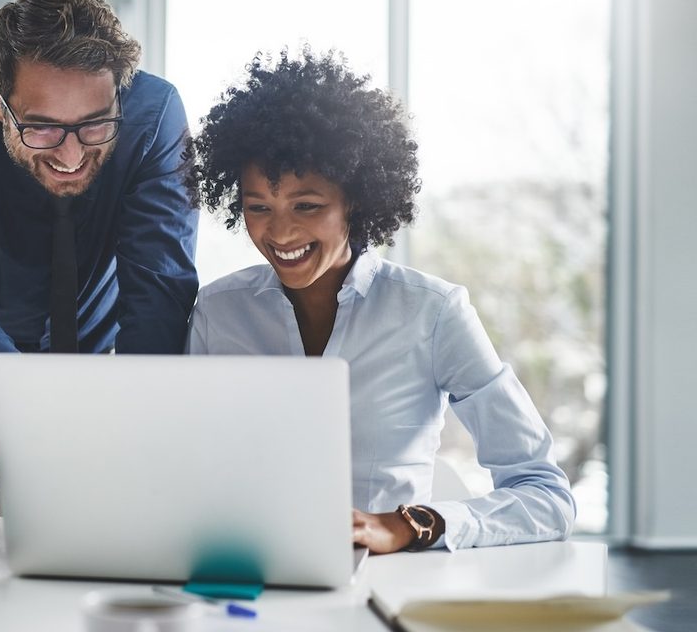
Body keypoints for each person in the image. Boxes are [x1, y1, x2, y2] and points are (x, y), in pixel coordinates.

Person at [185, 49, 576, 553]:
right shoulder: (219, 313)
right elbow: (188, 468)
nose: (279, 232)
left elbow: (546, 495)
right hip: (247, 574)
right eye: (258, 207)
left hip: (385, 585)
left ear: (357, 200)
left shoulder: (432, 313)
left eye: (307, 205)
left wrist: (406, 525)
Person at [0, 0, 198, 459]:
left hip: (106, 367)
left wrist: (141, 409)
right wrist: (37, 405)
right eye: (41, 127)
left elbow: (159, 284)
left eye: (94, 123)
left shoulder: (153, 116)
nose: (71, 154)